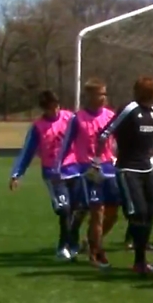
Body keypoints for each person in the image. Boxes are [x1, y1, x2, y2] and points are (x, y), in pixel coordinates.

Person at [97, 76, 153, 275]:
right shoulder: (129, 110)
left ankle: (140, 260)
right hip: (127, 171)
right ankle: (139, 261)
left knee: (151, 210)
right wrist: (96, 160)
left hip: (147, 170)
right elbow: (105, 133)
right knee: (139, 213)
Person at [9, 90, 78, 261]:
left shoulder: (70, 119)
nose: (55, 110)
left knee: (77, 209)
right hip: (53, 174)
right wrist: (17, 174)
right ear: (44, 109)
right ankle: (62, 247)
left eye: (56, 106)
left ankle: (73, 243)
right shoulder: (38, 127)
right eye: (50, 108)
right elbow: (27, 152)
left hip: (74, 170)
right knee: (64, 209)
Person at [57, 78, 119, 268]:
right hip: (89, 171)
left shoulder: (111, 116)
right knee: (97, 213)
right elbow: (66, 144)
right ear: (90, 96)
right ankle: (95, 253)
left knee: (113, 214)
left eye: (105, 93)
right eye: (100, 94)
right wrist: (60, 168)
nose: (104, 97)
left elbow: (118, 140)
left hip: (109, 168)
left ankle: (90, 240)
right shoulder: (77, 119)